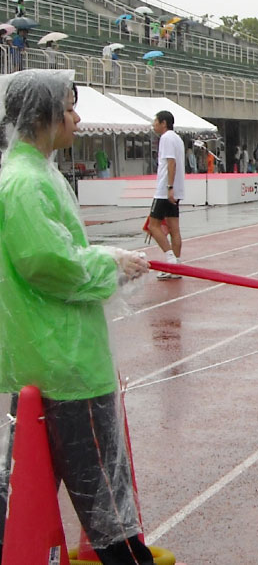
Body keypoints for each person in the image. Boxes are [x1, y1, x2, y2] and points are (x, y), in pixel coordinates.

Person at [0, 70, 155, 564]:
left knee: (24, 494)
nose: (76, 117)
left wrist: (104, 256)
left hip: (48, 358)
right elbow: (48, 262)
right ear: (42, 115)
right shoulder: (24, 182)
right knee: (108, 508)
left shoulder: (34, 173)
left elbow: (59, 251)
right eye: (68, 108)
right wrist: (110, 265)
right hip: (66, 365)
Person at [146, 110, 185, 280]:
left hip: (164, 190)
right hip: (174, 189)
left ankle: (170, 259)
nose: (153, 124)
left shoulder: (167, 138)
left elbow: (171, 162)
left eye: (155, 121)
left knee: (153, 226)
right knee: (174, 228)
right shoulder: (177, 138)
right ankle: (175, 264)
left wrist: (169, 187)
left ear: (163, 123)